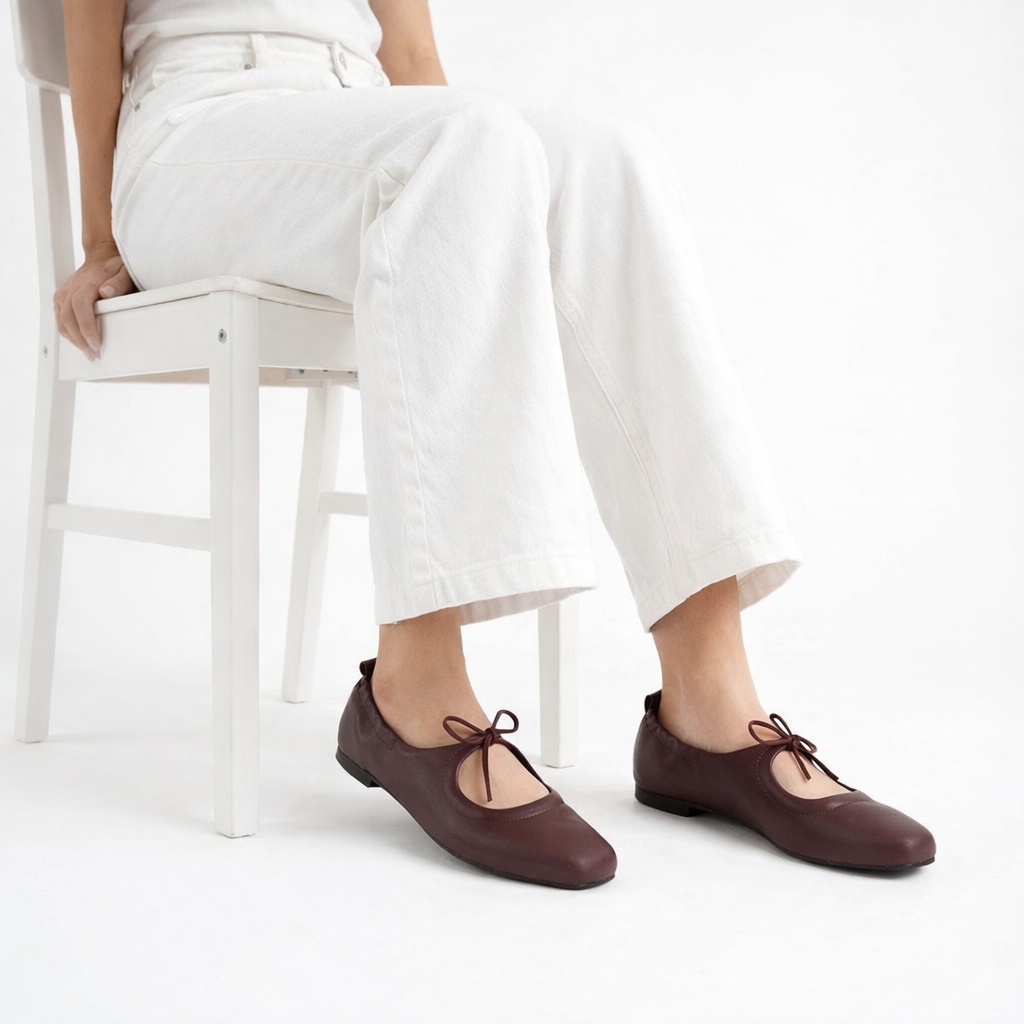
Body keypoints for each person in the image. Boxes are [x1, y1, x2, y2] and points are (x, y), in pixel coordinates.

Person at [54, 0, 935, 888]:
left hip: (345, 118)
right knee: (464, 143)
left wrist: (477, 189)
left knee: (604, 162)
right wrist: (98, 236)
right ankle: (414, 685)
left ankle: (707, 705)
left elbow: (410, 51)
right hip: (195, 134)